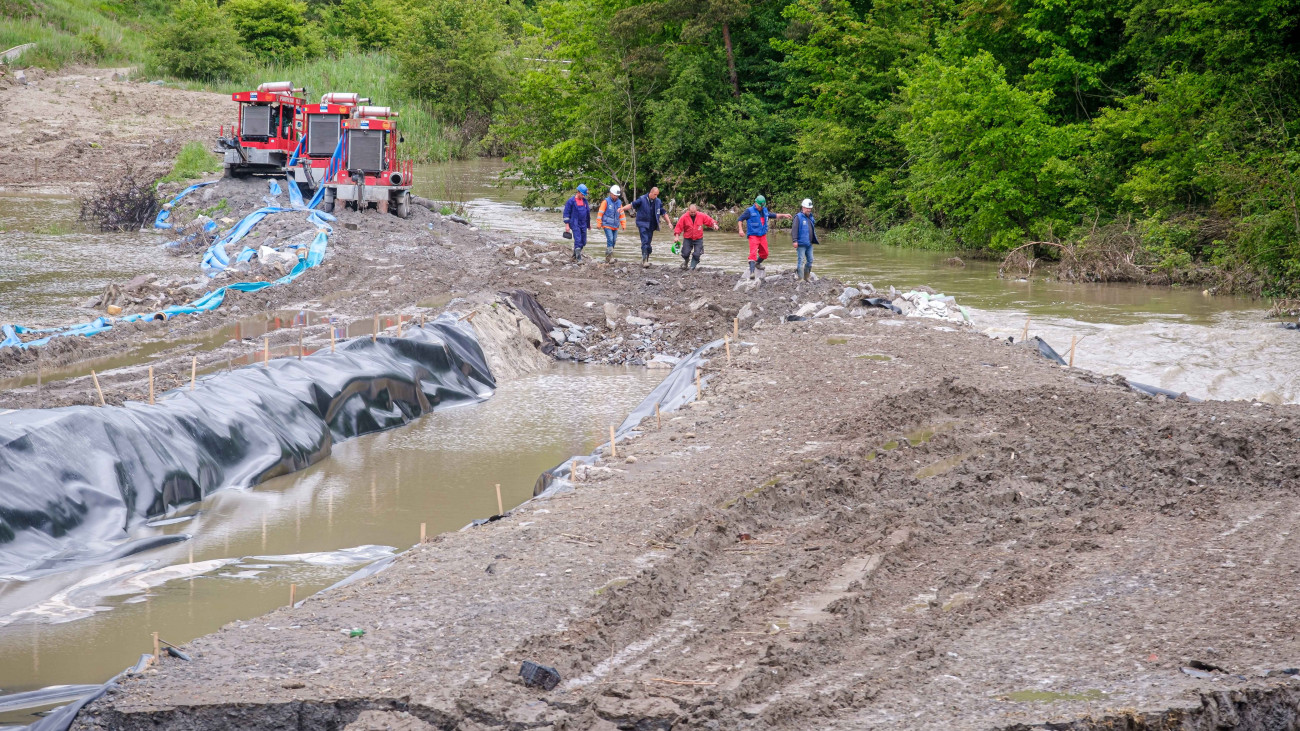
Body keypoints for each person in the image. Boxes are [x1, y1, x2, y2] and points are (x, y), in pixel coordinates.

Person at [737, 195, 791, 278]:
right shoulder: (749, 211)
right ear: (755, 203)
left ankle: (757, 264)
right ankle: (752, 273)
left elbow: (773, 215)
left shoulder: (764, 210)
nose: (761, 208)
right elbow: (740, 219)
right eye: (759, 206)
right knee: (753, 254)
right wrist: (740, 230)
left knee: (765, 253)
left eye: (762, 206)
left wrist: (784, 215)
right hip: (753, 235)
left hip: (762, 235)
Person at [622, 186, 671, 267]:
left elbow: (663, 212)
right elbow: (631, 205)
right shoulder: (642, 199)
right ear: (650, 193)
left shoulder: (658, 201)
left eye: (657, 195)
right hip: (642, 223)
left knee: (648, 243)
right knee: (644, 241)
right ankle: (644, 261)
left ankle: (646, 258)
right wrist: (622, 209)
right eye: (655, 194)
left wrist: (669, 222)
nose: (656, 196)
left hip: (652, 225)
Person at [672, 204, 719, 271]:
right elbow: (678, 227)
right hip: (688, 238)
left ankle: (692, 267)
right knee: (685, 253)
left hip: (698, 238)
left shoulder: (701, 215)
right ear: (688, 211)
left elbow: (710, 220)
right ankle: (686, 261)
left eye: (694, 212)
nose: (693, 213)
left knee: (697, 254)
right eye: (691, 212)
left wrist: (714, 225)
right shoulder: (684, 217)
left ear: (696, 210)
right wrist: (676, 237)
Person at [595, 185, 626, 263]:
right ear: (611, 193)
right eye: (615, 195)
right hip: (607, 224)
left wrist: (623, 224)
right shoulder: (605, 202)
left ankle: (608, 256)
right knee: (610, 239)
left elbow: (622, 214)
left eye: (617, 195)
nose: (616, 197)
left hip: (615, 225)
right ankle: (609, 257)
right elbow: (600, 213)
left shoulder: (619, 203)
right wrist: (599, 223)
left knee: (614, 240)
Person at [791, 198, 819, 281]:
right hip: (801, 244)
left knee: (810, 260)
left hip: (809, 243)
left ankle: (807, 277)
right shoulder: (798, 217)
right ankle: (800, 278)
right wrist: (794, 241)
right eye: (807, 208)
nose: (809, 210)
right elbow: (794, 230)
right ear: (803, 207)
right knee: (801, 261)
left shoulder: (811, 217)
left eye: (810, 208)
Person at [562, 184, 591, 263]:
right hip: (575, 223)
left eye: (584, 195)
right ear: (578, 192)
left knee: (583, 242)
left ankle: (574, 255)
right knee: (578, 240)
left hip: (583, 223)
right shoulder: (571, 201)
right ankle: (579, 259)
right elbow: (566, 213)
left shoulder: (585, 201)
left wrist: (588, 224)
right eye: (582, 194)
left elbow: (587, 213)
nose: (583, 196)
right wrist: (567, 224)